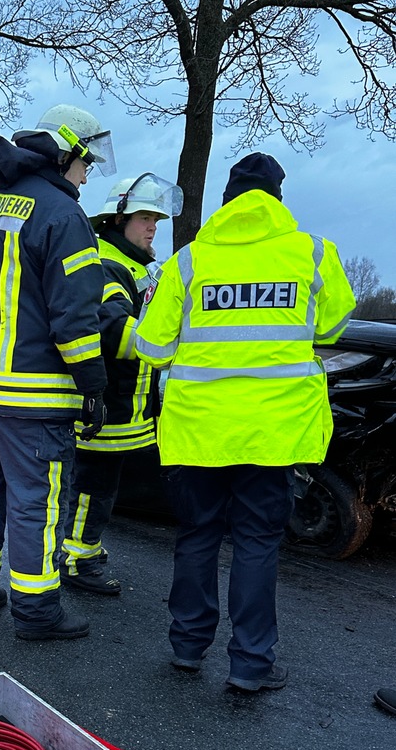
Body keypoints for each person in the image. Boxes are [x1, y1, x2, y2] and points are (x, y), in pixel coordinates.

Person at [134, 152, 356, 691]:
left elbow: (152, 346)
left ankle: (187, 647)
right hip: (275, 432)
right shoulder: (312, 254)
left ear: (227, 202)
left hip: (198, 431)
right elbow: (331, 327)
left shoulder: (190, 260)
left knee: (197, 535)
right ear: (278, 200)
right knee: (257, 542)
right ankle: (251, 665)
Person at [0, 104, 115, 641]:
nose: (88, 174)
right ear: (66, 153)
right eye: (86, 162)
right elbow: (76, 317)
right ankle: (38, 611)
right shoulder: (64, 217)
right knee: (36, 501)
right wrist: (93, 384)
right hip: (35, 394)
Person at [60, 173, 182, 595]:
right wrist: (169, 345)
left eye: (156, 220)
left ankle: (84, 542)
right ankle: (77, 557)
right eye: (145, 217)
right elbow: (112, 330)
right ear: (117, 219)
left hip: (126, 402)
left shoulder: (136, 266)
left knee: (101, 484)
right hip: (109, 401)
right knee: (95, 485)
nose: (153, 227)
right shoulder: (109, 265)